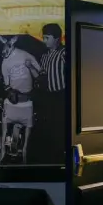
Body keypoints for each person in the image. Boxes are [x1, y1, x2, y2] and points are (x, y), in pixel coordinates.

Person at [39, 23, 66, 163]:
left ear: (56, 39)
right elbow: (42, 74)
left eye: (47, 38)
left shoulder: (63, 53)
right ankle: (51, 156)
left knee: (59, 126)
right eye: (43, 37)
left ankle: (60, 156)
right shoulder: (44, 56)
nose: (44, 41)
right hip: (47, 96)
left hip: (61, 96)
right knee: (49, 126)